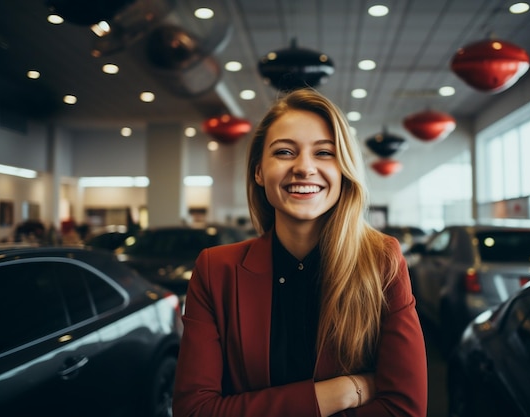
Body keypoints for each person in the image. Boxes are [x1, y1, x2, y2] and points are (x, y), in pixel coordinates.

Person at [173, 88, 428, 416]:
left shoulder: (383, 261)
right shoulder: (215, 270)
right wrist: (341, 392)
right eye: (284, 152)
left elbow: (404, 410)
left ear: (344, 170)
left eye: (324, 153)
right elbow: (194, 410)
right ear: (259, 171)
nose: (304, 168)